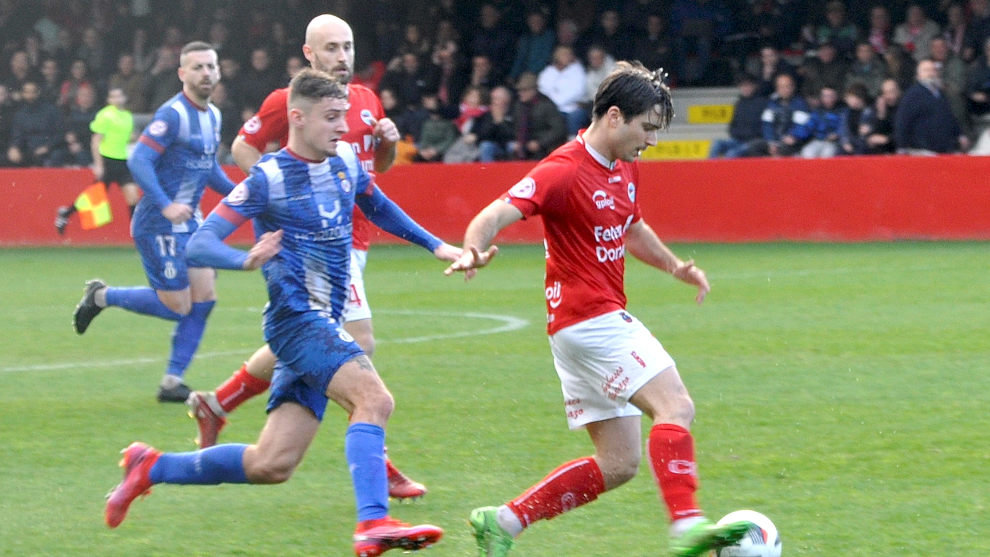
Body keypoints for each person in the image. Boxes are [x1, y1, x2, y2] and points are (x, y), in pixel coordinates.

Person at [103, 68, 448, 557]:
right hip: (295, 323)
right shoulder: (268, 178)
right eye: (332, 118)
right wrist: (242, 259)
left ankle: (150, 466)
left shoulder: (346, 159)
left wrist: (437, 246)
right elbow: (200, 243)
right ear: (297, 118)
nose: (342, 128)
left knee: (272, 464)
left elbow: (378, 205)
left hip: (321, 324)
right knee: (374, 400)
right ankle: (372, 522)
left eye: (344, 117)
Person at [444, 61, 749, 557]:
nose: (651, 141)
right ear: (613, 116)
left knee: (618, 463)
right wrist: (473, 248)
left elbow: (631, 226)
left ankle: (502, 521)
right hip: (591, 321)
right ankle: (687, 524)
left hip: (576, 329)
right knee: (676, 406)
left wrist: (675, 267)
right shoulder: (562, 170)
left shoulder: (625, 164)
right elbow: (495, 212)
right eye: (646, 128)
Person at [190, 14, 432, 501]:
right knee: (356, 342)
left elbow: (375, 173)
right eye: (331, 49)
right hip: (313, 244)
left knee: (306, 340)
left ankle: (219, 403)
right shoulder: (290, 101)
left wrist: (385, 145)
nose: (342, 57)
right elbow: (243, 146)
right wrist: (287, 195)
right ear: (308, 54)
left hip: (353, 237)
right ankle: (376, 467)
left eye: (347, 47)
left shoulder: (362, 100)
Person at [72, 41, 235, 403]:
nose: (206, 73)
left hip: (190, 221)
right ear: (182, 74)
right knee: (177, 306)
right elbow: (140, 161)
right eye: (197, 67)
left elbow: (209, 169)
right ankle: (101, 297)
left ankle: (172, 382)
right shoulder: (172, 114)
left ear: (219, 71)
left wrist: (244, 195)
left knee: (205, 295)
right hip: (158, 223)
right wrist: (163, 204)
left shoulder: (214, 116)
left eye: (211, 66)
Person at [56, 87, 138, 234]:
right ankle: (66, 213)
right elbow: (96, 141)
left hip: (122, 161)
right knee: (94, 197)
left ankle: (136, 234)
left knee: (133, 197)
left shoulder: (127, 116)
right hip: (107, 160)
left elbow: (129, 136)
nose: (117, 99)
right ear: (109, 100)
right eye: (114, 97)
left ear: (124, 98)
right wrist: (99, 164)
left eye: (120, 96)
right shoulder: (105, 115)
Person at [894, 58, 970, 153]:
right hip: (922, 150)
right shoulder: (912, 95)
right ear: (918, 75)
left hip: (944, 149)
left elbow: (949, 117)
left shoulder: (940, 94)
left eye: (933, 70)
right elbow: (902, 121)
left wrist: (960, 135)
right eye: (926, 70)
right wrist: (901, 146)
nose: (930, 73)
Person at [744, 72, 811, 157]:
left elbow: (802, 126)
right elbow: (767, 125)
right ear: (777, 88)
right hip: (774, 140)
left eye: (787, 86)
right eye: (781, 87)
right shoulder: (772, 104)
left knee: (783, 149)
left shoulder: (800, 104)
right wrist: (771, 142)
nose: (784, 89)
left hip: (792, 141)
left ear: (793, 87)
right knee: (753, 146)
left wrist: (794, 136)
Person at [708, 73, 767, 158]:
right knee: (717, 143)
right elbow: (732, 126)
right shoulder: (739, 103)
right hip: (738, 140)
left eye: (747, 85)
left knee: (732, 154)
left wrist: (747, 134)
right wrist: (738, 134)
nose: (745, 88)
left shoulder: (763, 103)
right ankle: (710, 169)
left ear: (754, 86)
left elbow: (764, 127)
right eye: (742, 86)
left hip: (754, 142)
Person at [512, 71, 568, 160]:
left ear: (534, 90)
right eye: (519, 90)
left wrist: (540, 143)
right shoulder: (518, 106)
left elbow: (558, 129)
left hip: (544, 148)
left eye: (524, 90)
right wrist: (517, 142)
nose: (521, 93)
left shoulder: (546, 105)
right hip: (523, 145)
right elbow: (515, 127)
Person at [799, 85, 844, 158]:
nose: (827, 99)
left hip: (834, 143)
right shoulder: (817, 112)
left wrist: (837, 134)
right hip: (817, 140)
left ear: (836, 97)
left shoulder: (842, 111)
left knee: (827, 155)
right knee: (807, 153)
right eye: (825, 96)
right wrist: (795, 136)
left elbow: (844, 127)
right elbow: (808, 127)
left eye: (830, 96)